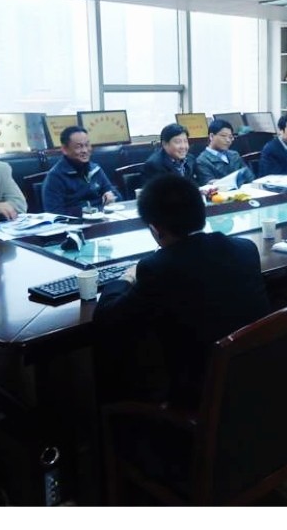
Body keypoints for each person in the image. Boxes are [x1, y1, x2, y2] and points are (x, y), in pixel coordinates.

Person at [93, 174, 270, 407]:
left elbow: (108, 318)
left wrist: (126, 278)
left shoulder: (157, 268)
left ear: (156, 229)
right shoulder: (245, 248)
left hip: (201, 401)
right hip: (258, 380)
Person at [42, 126, 121, 217]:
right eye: (78, 147)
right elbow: (53, 213)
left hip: (102, 219)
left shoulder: (95, 169)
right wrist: (86, 211)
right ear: (64, 149)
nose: (85, 150)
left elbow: (118, 197)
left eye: (87, 145)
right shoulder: (55, 177)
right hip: (74, 223)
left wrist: (111, 196)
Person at [194, 119, 255, 186]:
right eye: (223, 136)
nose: (228, 140)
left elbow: (250, 177)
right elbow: (209, 186)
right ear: (211, 136)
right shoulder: (202, 161)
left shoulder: (234, 155)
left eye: (230, 137)